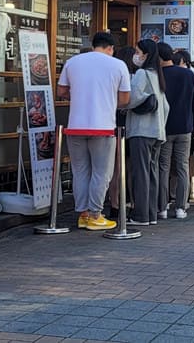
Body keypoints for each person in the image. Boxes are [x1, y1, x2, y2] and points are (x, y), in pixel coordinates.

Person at [56, 31, 130, 231]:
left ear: (93, 45)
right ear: (111, 48)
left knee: (80, 171)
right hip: (103, 127)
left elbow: (61, 91)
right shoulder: (118, 65)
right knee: (102, 172)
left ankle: (83, 214)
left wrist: (80, 97)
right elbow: (124, 99)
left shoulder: (73, 62)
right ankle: (96, 214)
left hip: (75, 126)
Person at [125, 39, 169, 226]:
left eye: (138, 51)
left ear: (146, 54)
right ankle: (151, 213)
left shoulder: (142, 74)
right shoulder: (157, 75)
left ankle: (140, 215)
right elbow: (166, 106)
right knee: (152, 174)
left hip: (141, 131)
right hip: (157, 132)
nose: (136, 55)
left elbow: (131, 97)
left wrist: (122, 104)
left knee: (140, 173)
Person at [156, 42, 194, 220]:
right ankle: (181, 207)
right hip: (185, 127)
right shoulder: (188, 74)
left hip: (164, 127)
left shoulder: (157, 75)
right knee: (182, 167)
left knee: (163, 167)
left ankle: (163, 207)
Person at [106, 45, 137, 220]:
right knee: (131, 168)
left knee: (116, 168)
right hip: (131, 125)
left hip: (113, 123)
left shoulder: (113, 75)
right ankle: (133, 204)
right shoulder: (136, 77)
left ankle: (115, 205)